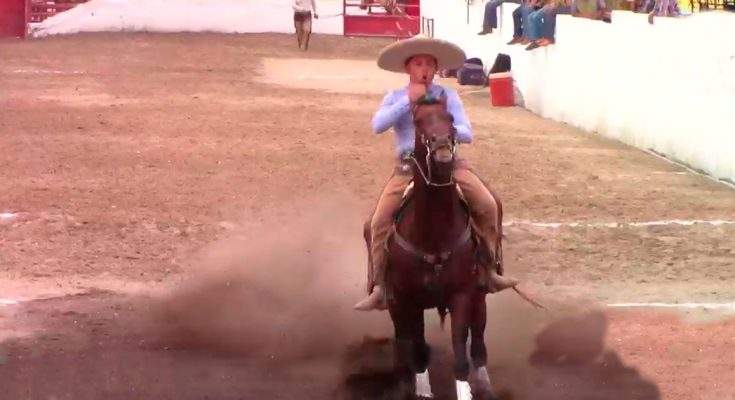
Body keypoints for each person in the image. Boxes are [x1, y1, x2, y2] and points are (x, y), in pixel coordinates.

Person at [354, 35, 520, 311]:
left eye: (429, 64)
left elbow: (467, 132)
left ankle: (490, 269)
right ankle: (381, 285)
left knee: (489, 204)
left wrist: (448, 131)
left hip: (448, 164)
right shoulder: (395, 97)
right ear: (408, 69)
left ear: (436, 69)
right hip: (409, 168)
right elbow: (378, 125)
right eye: (419, 64)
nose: (424, 69)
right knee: (377, 223)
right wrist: (408, 102)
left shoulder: (449, 96)